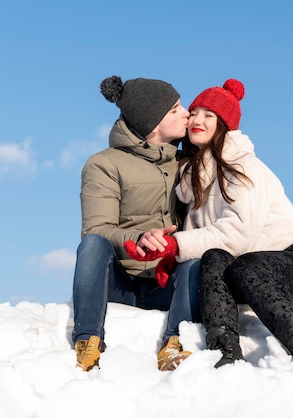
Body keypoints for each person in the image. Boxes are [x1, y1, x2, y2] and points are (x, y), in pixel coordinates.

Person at [158, 78, 293, 368]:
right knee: (213, 256)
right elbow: (208, 242)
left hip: (288, 270)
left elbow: (238, 235)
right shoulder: (193, 178)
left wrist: (176, 246)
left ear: (224, 124)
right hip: (239, 274)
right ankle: (224, 350)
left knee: (246, 263)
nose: (197, 120)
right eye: (195, 113)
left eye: (209, 116)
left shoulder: (244, 167)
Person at [71, 75, 200, 372]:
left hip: (167, 283)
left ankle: (174, 342)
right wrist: (139, 237)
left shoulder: (187, 163)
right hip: (121, 282)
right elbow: (97, 228)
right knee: (92, 244)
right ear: (153, 123)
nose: (186, 113)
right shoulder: (104, 163)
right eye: (175, 109)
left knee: (196, 261)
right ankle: (87, 339)